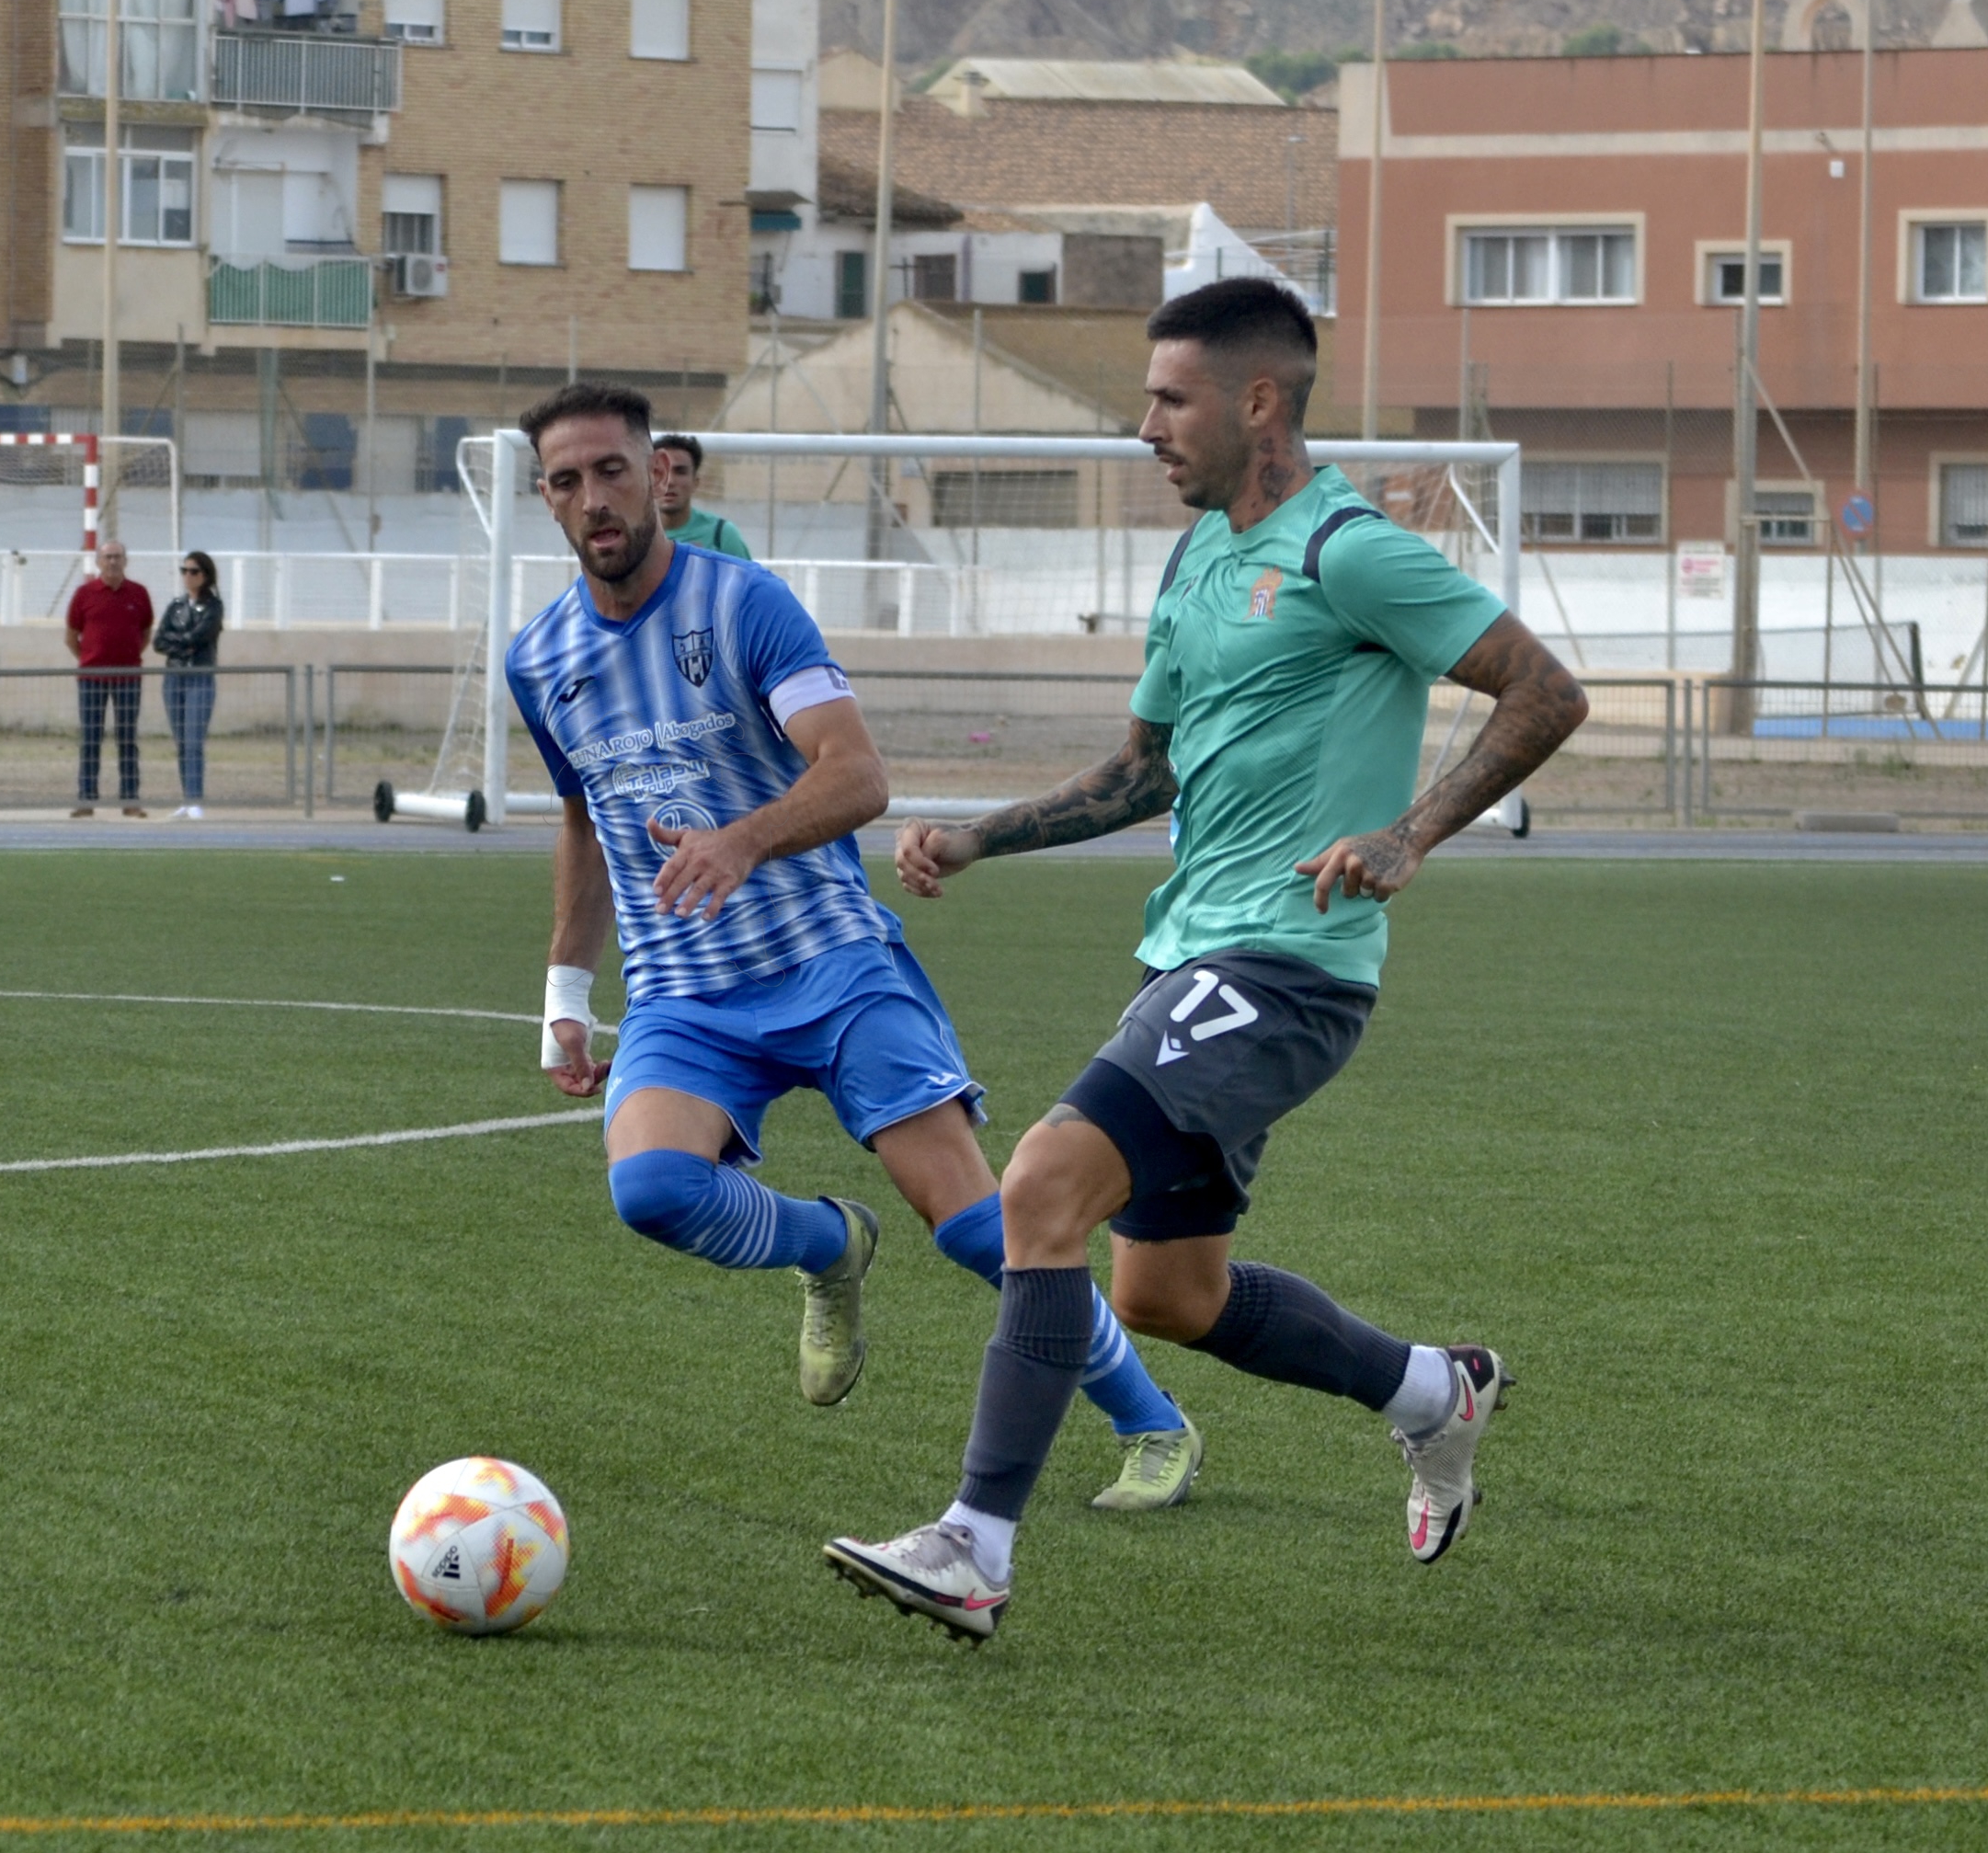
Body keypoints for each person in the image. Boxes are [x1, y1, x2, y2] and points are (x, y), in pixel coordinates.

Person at [824, 279, 1591, 1641]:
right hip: (1190, 956)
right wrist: (984, 839)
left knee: (1043, 1184)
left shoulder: (1350, 550)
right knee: (1163, 1294)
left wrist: (1412, 832)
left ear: (1259, 402)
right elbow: (1145, 772)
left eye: (1170, 399)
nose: (1145, 426)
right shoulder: (1197, 564)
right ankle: (1433, 1391)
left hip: (1288, 964)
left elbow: (1546, 688)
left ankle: (973, 1545)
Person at [508, 380, 1203, 1509]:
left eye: (613, 471)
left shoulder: (746, 605)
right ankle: (829, 1245)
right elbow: (586, 819)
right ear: (546, 500)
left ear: (657, 475)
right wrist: (564, 993)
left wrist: (740, 842)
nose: (596, 498)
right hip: (685, 993)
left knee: (983, 1230)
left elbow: (859, 776)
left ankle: (1153, 1422)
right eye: (568, 480)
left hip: (830, 965)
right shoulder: (539, 659)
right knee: (652, 1194)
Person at [65, 540, 152, 818]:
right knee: (91, 738)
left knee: (127, 738)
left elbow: (146, 631)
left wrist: (127, 656)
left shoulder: (139, 594)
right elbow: (71, 636)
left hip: (128, 678)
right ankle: (86, 798)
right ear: (98, 562)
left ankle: (130, 799)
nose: (113, 562)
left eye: (117, 557)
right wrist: (90, 658)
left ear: (125, 561)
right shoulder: (84, 594)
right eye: (107, 557)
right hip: (92, 679)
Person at [154, 549, 224, 819]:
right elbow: (159, 641)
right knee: (181, 741)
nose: (188, 576)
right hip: (174, 677)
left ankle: (195, 798)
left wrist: (179, 641)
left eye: (193, 571)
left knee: (194, 739)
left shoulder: (213, 607)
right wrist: (181, 643)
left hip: (199, 676)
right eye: (185, 571)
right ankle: (186, 796)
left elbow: (200, 637)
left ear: (205, 575)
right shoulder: (176, 606)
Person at [649, 433, 757, 559]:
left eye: (680, 472)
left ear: (696, 482)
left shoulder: (721, 535)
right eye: (660, 472)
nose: (670, 481)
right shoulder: (635, 535)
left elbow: (749, 578)